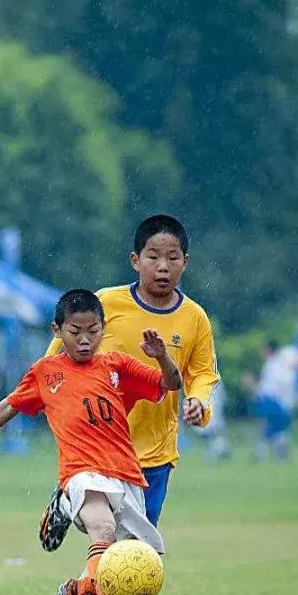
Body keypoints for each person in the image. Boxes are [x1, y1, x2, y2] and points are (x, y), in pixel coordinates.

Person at [0, 289, 181, 595]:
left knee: (134, 558)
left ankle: (76, 593)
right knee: (102, 530)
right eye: (75, 331)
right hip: (81, 473)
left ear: (103, 329)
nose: (85, 339)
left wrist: (162, 357)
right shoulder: (46, 372)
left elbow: (171, 383)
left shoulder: (117, 365)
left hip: (124, 473)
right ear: (57, 330)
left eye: (93, 330)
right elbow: (11, 404)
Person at [44, 215, 219, 529]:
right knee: (107, 533)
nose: (162, 266)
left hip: (155, 452)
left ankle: (80, 577)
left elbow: (203, 372)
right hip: (100, 446)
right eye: (153, 257)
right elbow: (60, 349)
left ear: (185, 262)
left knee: (137, 550)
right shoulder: (108, 303)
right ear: (136, 261)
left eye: (172, 257)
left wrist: (199, 401)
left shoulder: (195, 318)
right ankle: (71, 502)